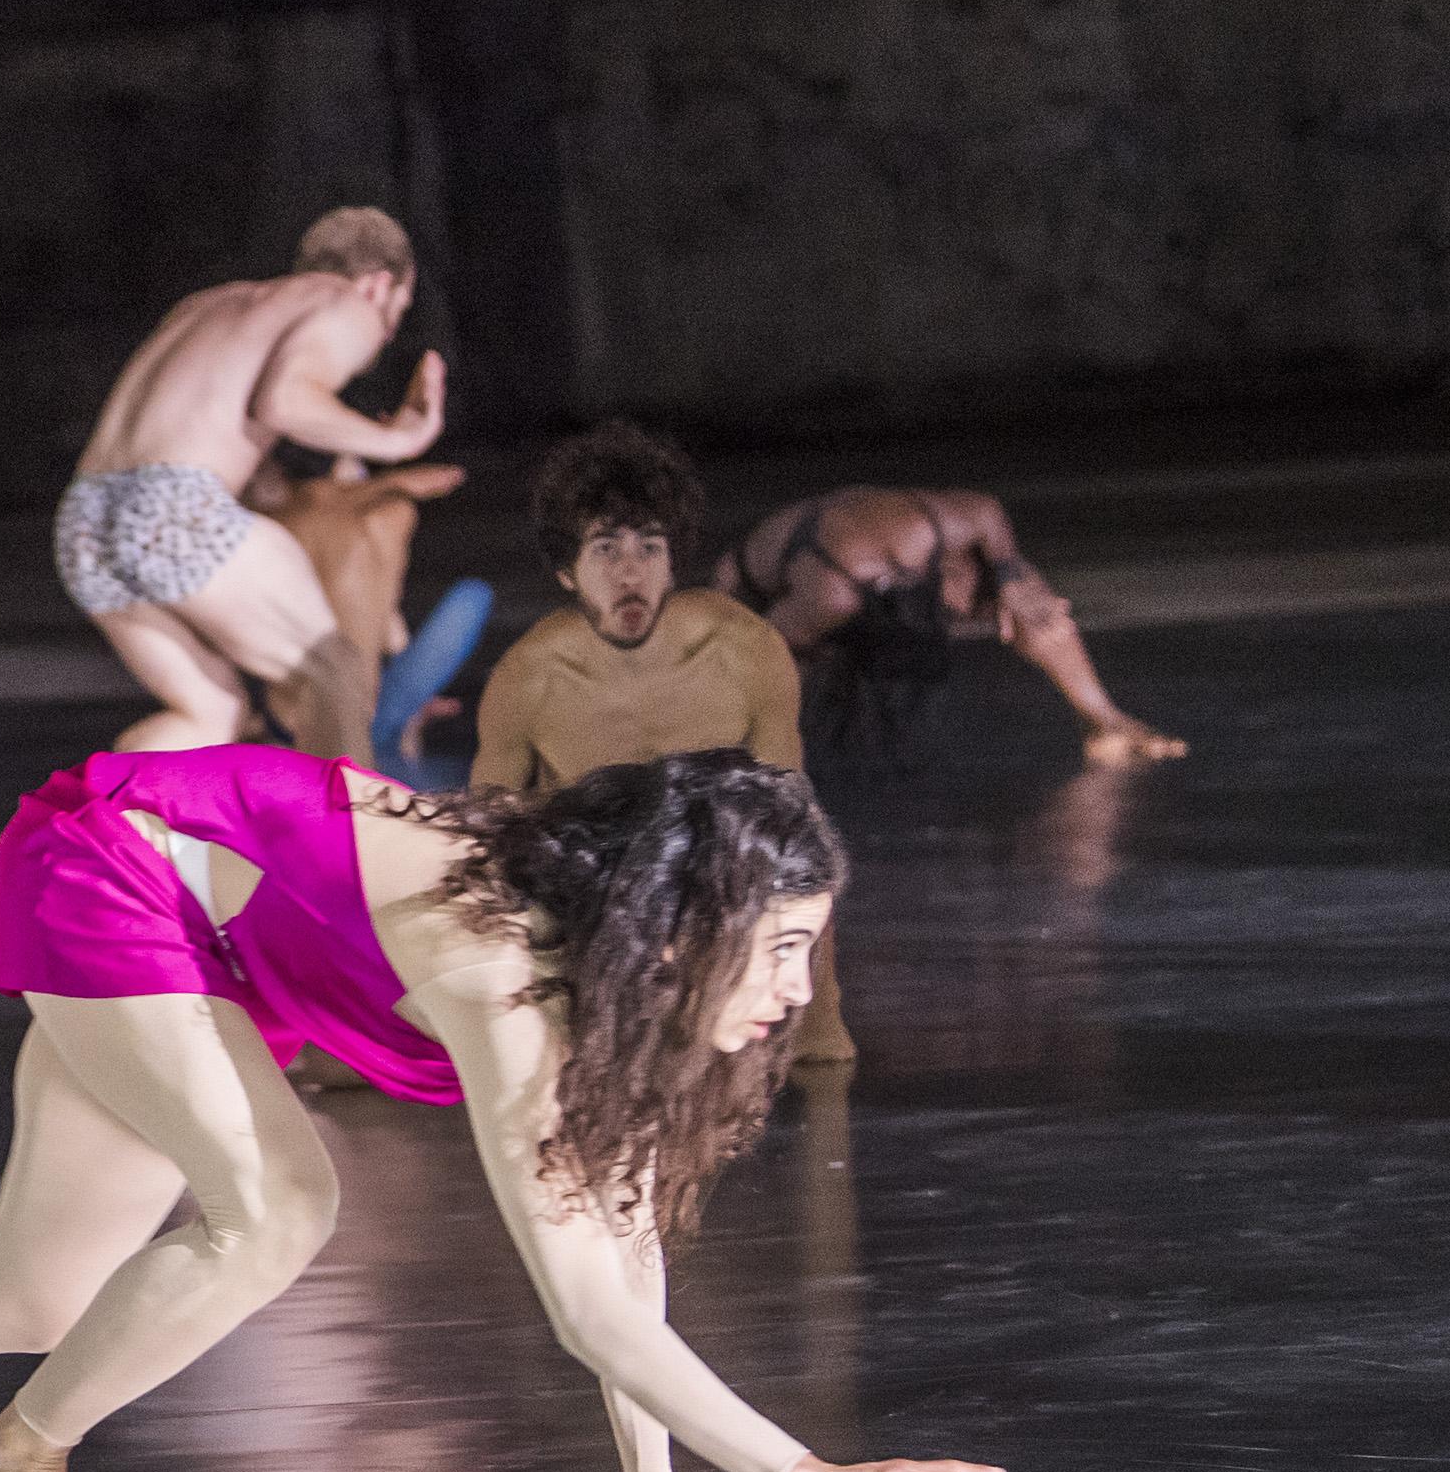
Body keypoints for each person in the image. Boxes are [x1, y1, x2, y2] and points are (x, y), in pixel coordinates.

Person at [0, 747, 1006, 1472]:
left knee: (31, 1297)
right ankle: (14, 1457)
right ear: (682, 925)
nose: (795, 990)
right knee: (279, 1208)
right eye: (780, 950)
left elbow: (612, 1228)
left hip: (191, 936)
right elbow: (582, 1306)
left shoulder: (597, 992)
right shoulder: (505, 965)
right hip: (115, 865)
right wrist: (802, 1470)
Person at [476, 423, 849, 1067]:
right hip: (599, 892)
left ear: (674, 560)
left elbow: (793, 825)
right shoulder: (528, 678)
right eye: (605, 551)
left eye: (649, 549)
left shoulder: (743, 650)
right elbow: (487, 836)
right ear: (567, 574)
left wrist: (820, 1019)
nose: (630, 572)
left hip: (718, 881)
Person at [59, 210, 447, 762]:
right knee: (334, 671)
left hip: (85, 519)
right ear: (380, 283)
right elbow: (286, 401)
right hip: (173, 504)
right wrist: (400, 441)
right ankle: (342, 845)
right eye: (396, 317)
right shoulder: (344, 302)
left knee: (212, 713)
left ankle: (102, 833)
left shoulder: (207, 306)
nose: (383, 337)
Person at [719, 488, 1184, 769]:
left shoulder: (936, 528)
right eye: (969, 612)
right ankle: (734, 758)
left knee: (1030, 596)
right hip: (749, 587)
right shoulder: (831, 596)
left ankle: (1106, 723)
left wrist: (1007, 577)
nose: (972, 618)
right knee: (778, 677)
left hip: (868, 567)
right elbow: (759, 651)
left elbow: (987, 511)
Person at [249, 454, 487, 785]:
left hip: (286, 726)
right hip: (363, 721)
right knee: (474, 595)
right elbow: (392, 637)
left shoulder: (265, 526)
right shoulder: (392, 514)